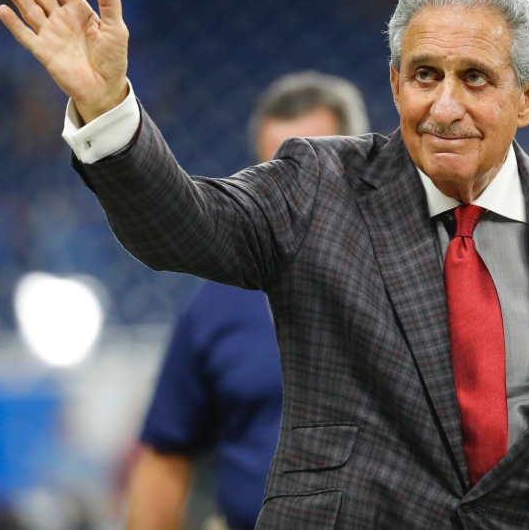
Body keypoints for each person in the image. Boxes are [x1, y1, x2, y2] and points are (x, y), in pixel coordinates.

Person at [0, 0, 529, 528]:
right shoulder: (318, 185)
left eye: (476, 78)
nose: (445, 105)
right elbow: (183, 225)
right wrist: (106, 107)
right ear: (395, 83)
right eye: (425, 75)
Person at [127, 72, 370, 529]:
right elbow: (164, 454)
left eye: (314, 167)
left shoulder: (422, 272)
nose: (292, 190)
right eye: (275, 171)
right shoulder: (218, 304)